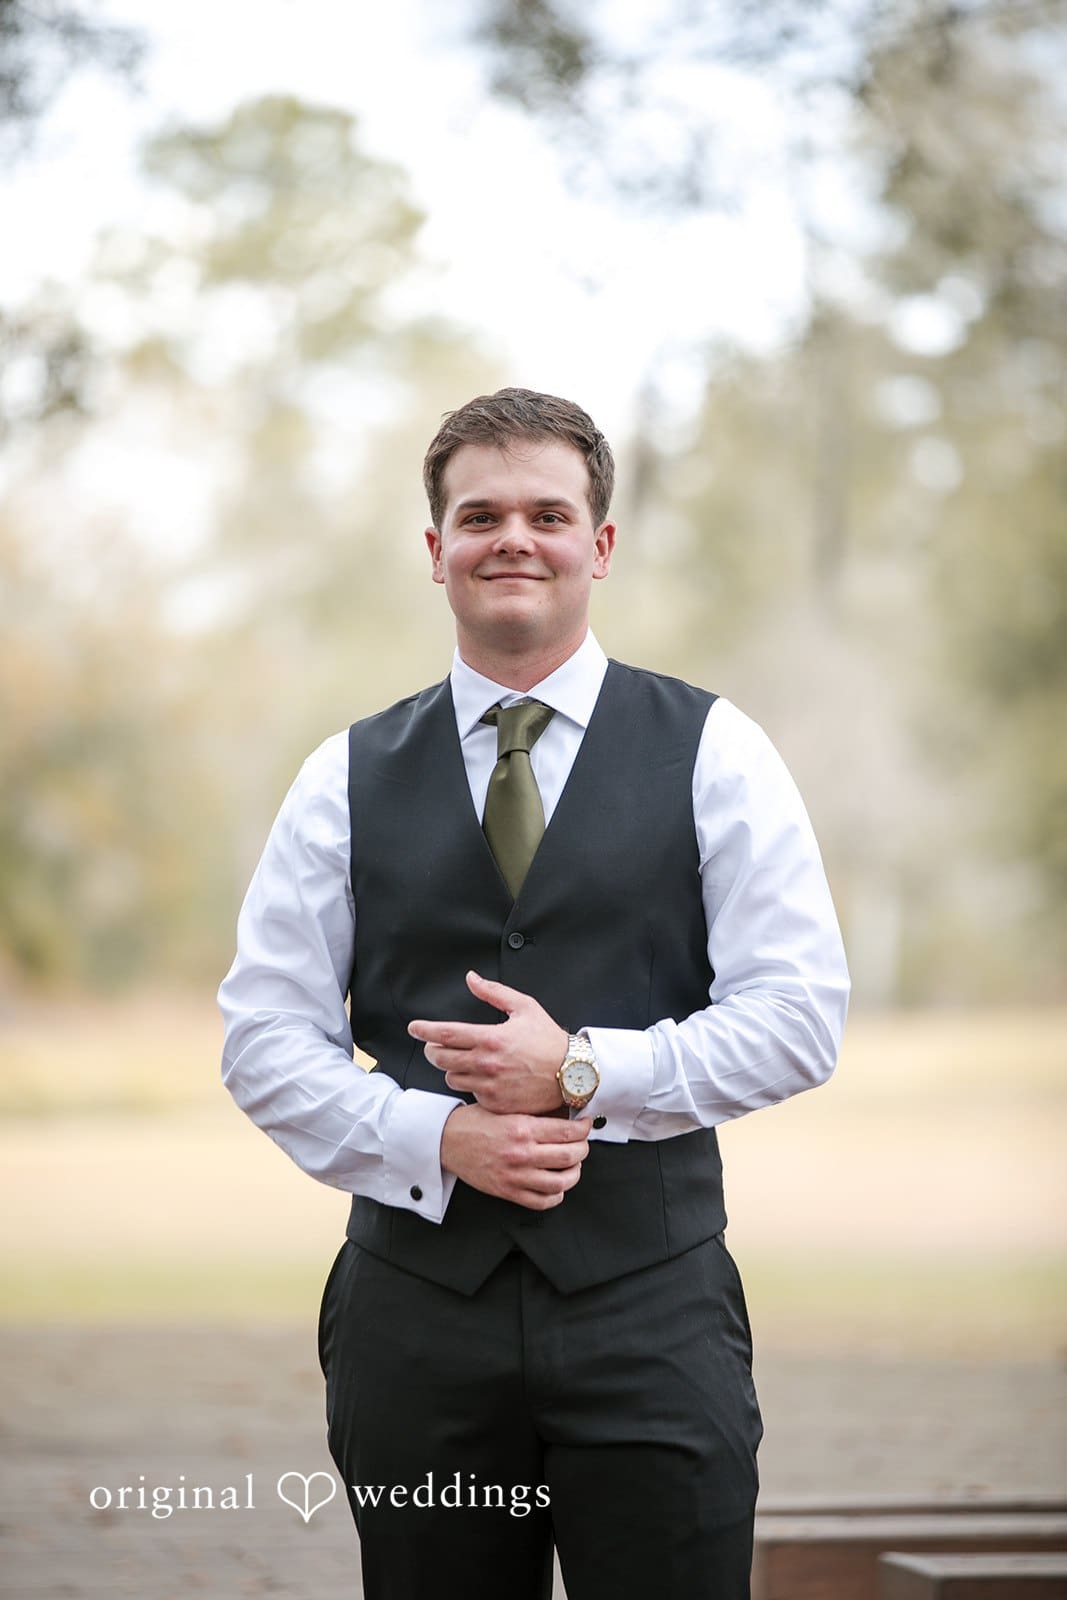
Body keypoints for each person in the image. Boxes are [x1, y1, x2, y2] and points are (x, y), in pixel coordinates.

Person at [218, 387, 850, 1600]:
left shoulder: (717, 749)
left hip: (650, 1313)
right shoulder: (339, 776)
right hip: (414, 1319)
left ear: (598, 545)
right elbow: (261, 1037)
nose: (513, 537)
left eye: (547, 513)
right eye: (480, 514)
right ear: (436, 549)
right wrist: (437, 1134)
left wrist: (583, 1071)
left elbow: (797, 1015)